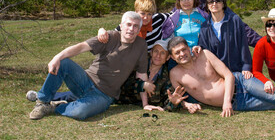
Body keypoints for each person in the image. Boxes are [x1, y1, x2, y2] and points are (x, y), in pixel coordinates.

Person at [29, 11, 148, 120]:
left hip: (104, 95)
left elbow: (141, 75)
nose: (131, 29)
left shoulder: (141, 46)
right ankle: (42, 102)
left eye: (135, 26)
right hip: (86, 80)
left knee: (80, 112)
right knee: (64, 62)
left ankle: (55, 107)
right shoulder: (110, 37)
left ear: (139, 30)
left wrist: (145, 104)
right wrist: (57, 57)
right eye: (128, 24)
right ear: (121, 26)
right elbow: (81, 47)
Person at [27, 40, 174, 112]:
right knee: (70, 95)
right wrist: (143, 85)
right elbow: (127, 82)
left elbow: (167, 101)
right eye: (156, 51)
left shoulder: (165, 77)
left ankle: (53, 104)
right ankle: (41, 97)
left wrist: (176, 103)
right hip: (110, 90)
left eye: (163, 53)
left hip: (111, 98)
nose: (158, 56)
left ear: (168, 57)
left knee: (77, 100)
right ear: (151, 52)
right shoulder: (140, 64)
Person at [194, 0, 261, 47]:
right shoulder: (189, 5)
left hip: (217, 51)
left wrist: (262, 44)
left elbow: (241, 28)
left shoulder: (219, 5)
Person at [198, 0, 252, 78]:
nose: (214, 3)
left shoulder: (234, 20)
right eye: (211, 1)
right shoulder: (205, 27)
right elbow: (204, 51)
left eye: (218, 1)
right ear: (207, 5)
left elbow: (243, 44)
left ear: (223, 3)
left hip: (238, 72)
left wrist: (246, 66)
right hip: (217, 75)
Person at [97, 0, 170, 52]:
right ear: (136, 12)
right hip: (135, 55)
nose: (146, 17)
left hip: (153, 55)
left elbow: (174, 14)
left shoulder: (158, 18)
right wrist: (101, 30)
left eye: (149, 14)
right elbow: (113, 33)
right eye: (142, 13)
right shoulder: (130, 23)